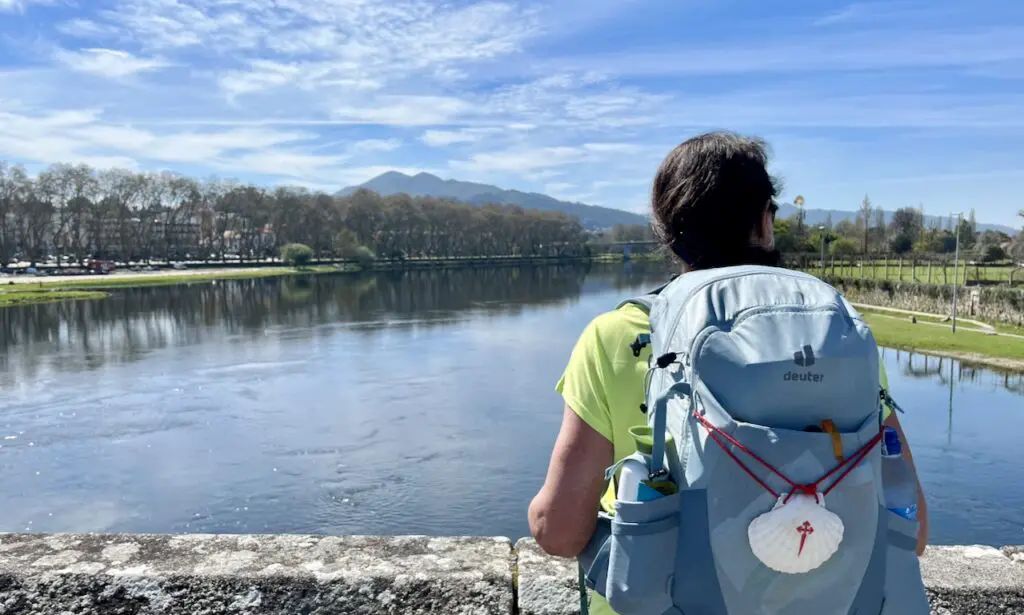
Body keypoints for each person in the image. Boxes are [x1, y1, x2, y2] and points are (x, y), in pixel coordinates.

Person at [528, 131, 927, 615]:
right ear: (765, 221)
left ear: (666, 229)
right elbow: (915, 528)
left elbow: (560, 533)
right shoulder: (834, 338)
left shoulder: (614, 335)